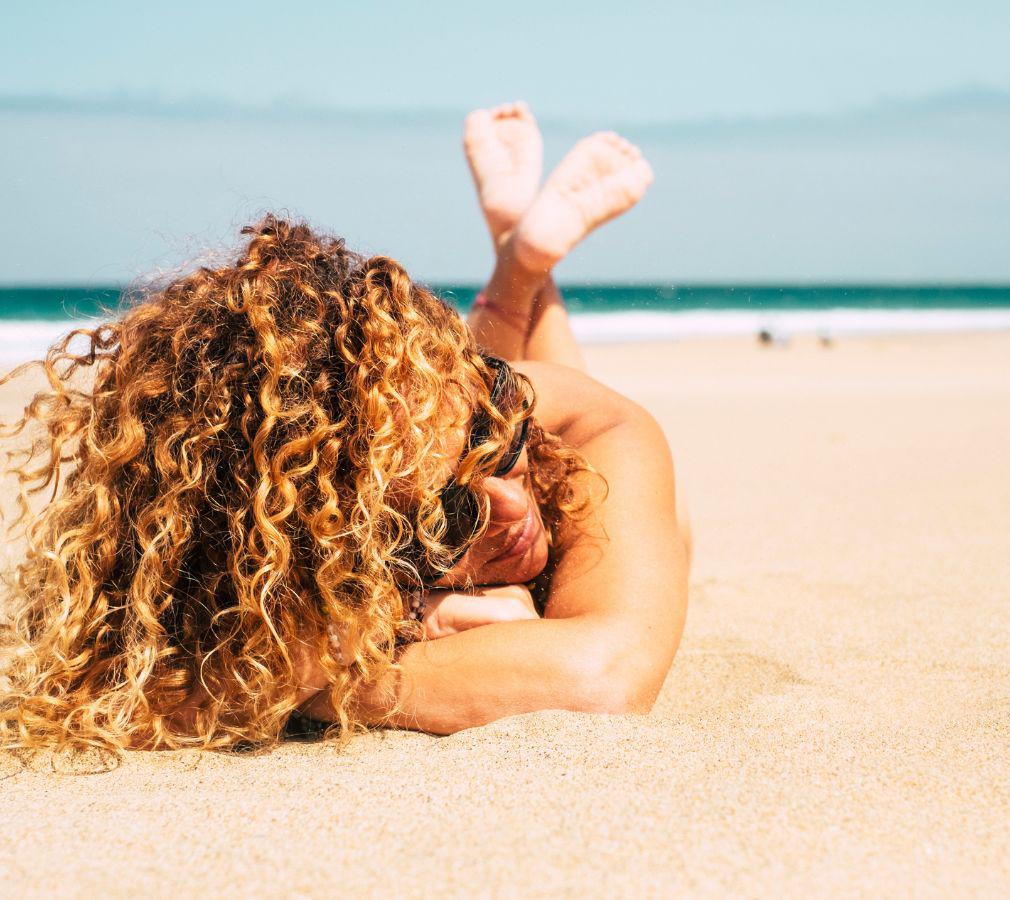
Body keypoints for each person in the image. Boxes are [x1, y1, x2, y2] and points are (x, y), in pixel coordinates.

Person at [0, 103, 689, 752]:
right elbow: (128, 690)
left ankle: (521, 264)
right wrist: (405, 621)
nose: (510, 505)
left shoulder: (576, 428)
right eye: (448, 514)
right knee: (449, 434)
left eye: (492, 437)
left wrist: (333, 669)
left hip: (556, 417)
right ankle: (521, 255)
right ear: (327, 535)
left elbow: (605, 675)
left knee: (556, 450)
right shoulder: (309, 535)